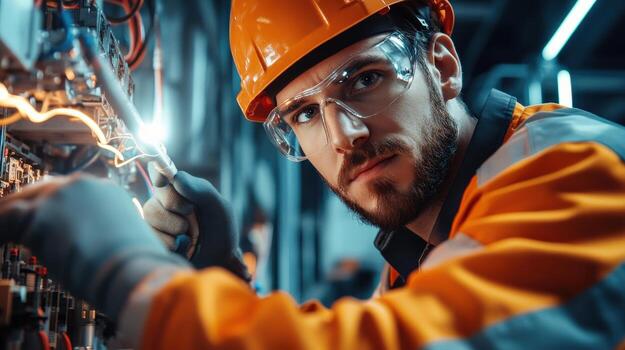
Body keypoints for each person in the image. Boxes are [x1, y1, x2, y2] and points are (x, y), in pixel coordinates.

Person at [1, 0, 625, 348]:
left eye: (366, 79)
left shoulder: (573, 169)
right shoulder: (424, 251)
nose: (342, 136)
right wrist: (223, 281)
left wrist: (134, 280)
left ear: (442, 64)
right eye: (304, 113)